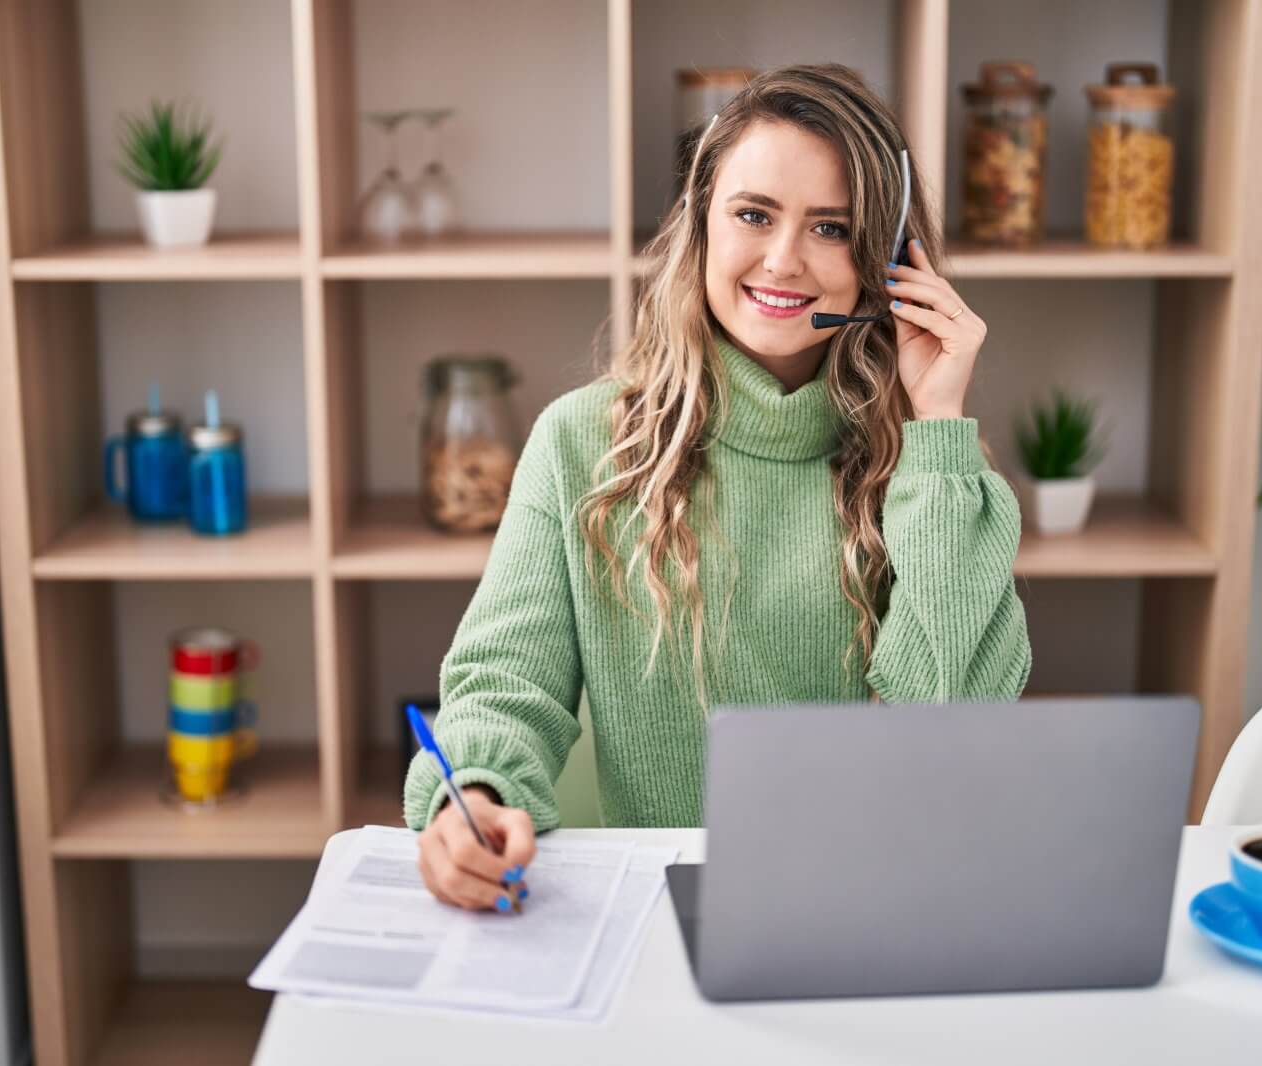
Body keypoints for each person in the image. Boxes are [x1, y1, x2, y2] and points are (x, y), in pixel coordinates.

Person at [405, 63, 1031, 912]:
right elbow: (505, 684)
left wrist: (940, 426)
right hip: (659, 916)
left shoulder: (929, 469)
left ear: (887, 259)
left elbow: (953, 727)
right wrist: (470, 796)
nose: (783, 259)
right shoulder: (582, 441)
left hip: (874, 905)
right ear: (702, 223)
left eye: (832, 228)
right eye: (753, 214)